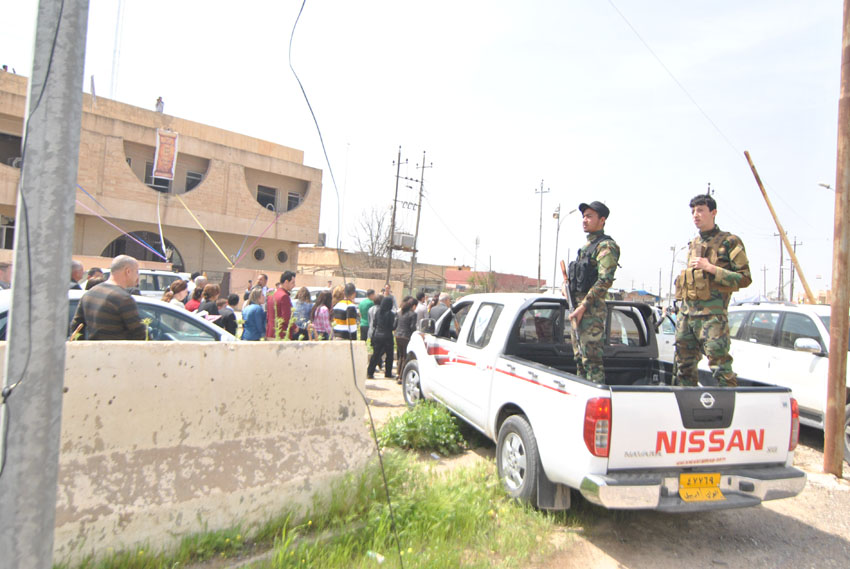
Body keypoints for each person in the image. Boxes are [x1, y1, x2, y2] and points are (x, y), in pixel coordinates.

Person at [674, 193, 752, 387]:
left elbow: (745, 278)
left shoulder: (729, 241)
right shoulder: (694, 244)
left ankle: (729, 411)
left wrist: (711, 268)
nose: (695, 215)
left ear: (713, 213)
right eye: (693, 211)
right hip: (687, 316)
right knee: (682, 368)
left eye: (700, 210)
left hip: (712, 317)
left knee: (720, 368)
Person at [565, 200, 620, 384]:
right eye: (583, 216)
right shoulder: (584, 249)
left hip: (591, 312)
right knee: (579, 360)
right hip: (577, 309)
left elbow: (604, 280)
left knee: (592, 362)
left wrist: (583, 307)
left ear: (602, 220)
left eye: (589, 216)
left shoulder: (606, 247)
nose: (584, 220)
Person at [69, 255, 146, 340]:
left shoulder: (89, 294)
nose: (138, 277)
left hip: (92, 351)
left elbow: (76, 328)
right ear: (128, 271)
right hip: (117, 351)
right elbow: (140, 334)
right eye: (136, 272)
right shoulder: (124, 299)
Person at [367, 297, 397, 379]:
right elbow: (392, 327)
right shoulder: (391, 314)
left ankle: (370, 372)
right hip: (387, 336)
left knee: (376, 354)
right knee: (389, 355)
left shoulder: (378, 312)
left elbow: (374, 324)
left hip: (377, 335)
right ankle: (388, 373)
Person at [267, 271, 297, 339]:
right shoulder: (284, 296)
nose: (294, 285)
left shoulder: (272, 295)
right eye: (293, 282)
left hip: (270, 332)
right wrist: (295, 327)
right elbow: (286, 317)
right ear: (286, 282)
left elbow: (268, 315)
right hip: (281, 334)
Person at [395, 297, 418, 381]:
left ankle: (398, 374)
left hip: (397, 336)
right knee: (405, 357)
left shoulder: (399, 313)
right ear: (412, 306)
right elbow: (412, 327)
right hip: (406, 336)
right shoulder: (413, 314)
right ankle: (401, 377)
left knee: (401, 356)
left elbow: (395, 324)